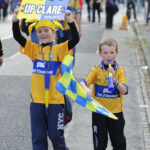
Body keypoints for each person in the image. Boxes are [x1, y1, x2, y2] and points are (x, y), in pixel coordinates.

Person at [12, 8, 80, 150]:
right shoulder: (34, 49)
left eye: (46, 30)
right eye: (39, 31)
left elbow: (75, 39)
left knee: (56, 137)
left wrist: (70, 21)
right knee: (38, 138)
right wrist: (15, 20)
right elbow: (18, 36)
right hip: (36, 102)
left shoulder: (59, 49)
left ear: (53, 32)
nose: (43, 34)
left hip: (55, 101)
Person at [80, 38, 128, 150]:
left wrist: (115, 80)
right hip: (99, 112)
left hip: (115, 113)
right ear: (100, 53)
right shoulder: (96, 70)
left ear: (116, 53)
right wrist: (85, 89)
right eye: (105, 52)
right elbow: (83, 82)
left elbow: (124, 91)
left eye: (112, 52)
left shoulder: (119, 70)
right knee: (99, 145)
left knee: (119, 143)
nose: (109, 56)